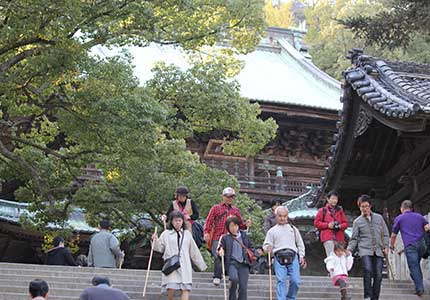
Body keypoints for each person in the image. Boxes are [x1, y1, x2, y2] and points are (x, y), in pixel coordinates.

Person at [152, 211, 207, 300]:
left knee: (186, 288)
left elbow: (194, 251)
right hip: (171, 265)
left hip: (185, 265)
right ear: (172, 222)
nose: (178, 222)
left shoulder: (187, 234)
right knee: (171, 287)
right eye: (175, 220)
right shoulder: (166, 234)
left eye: (179, 220)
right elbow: (159, 248)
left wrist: (201, 265)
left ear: (182, 221)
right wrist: (155, 240)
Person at [204, 187, 251, 286]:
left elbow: (240, 225)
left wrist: (246, 225)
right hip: (218, 236)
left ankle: (229, 275)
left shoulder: (236, 210)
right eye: (228, 196)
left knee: (229, 257)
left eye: (232, 197)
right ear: (223, 196)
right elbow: (209, 221)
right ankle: (217, 276)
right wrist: (206, 232)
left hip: (231, 238)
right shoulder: (216, 208)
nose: (230, 198)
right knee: (218, 255)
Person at [347, 194, 389, 300]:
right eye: (362, 206)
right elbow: (354, 238)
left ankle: (375, 297)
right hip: (365, 250)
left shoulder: (379, 218)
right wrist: (349, 250)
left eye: (366, 206)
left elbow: (385, 234)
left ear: (370, 206)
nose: (364, 208)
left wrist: (386, 246)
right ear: (359, 207)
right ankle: (367, 296)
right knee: (367, 270)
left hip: (379, 250)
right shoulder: (357, 222)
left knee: (378, 275)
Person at [263, 206, 306, 300]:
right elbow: (266, 245)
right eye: (280, 216)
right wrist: (268, 248)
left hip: (293, 256)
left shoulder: (293, 229)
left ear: (287, 216)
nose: (282, 218)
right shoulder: (272, 231)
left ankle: (290, 297)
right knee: (281, 280)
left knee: (296, 281)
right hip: (278, 257)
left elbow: (300, 243)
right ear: (276, 216)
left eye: (284, 216)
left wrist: (301, 255)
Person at [389, 200, 430, 297]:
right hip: (422, 245)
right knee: (415, 266)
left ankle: (420, 289)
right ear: (411, 208)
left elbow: (394, 235)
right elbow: (427, 227)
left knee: (414, 266)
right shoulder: (419, 216)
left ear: (402, 208)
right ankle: (416, 280)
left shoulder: (399, 218)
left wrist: (391, 246)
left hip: (410, 245)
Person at [217, 216, 253, 300]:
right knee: (233, 279)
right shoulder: (225, 237)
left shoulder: (244, 235)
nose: (234, 228)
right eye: (231, 226)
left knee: (243, 287)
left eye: (236, 225)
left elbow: (250, 247)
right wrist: (220, 251)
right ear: (228, 227)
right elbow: (220, 248)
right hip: (232, 263)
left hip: (244, 264)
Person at [314, 190, 349, 256]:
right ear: (328, 199)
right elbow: (316, 223)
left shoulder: (340, 210)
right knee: (331, 258)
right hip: (328, 238)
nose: (335, 201)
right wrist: (327, 225)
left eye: (336, 199)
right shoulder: (322, 210)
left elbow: (346, 224)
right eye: (333, 198)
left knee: (340, 259)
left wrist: (339, 226)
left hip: (339, 238)